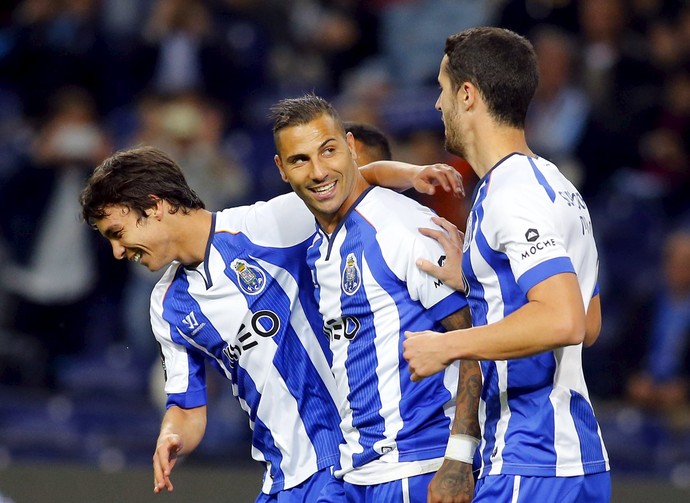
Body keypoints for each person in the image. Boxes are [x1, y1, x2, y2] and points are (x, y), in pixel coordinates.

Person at [79, 145, 463, 501]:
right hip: (281, 476)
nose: (116, 251)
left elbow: (349, 184)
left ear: (155, 205)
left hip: (343, 462)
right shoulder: (167, 305)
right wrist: (171, 435)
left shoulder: (263, 227)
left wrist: (413, 175)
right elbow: (187, 404)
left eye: (118, 233)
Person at [402, 27, 610, 502]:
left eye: (443, 89)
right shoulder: (555, 185)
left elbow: (565, 320)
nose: (438, 105)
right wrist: (480, 279)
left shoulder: (510, 197)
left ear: (468, 95)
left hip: (531, 458)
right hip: (573, 457)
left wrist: (448, 345)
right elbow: (589, 321)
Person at [270, 93, 472, 503]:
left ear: (349, 147)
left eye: (328, 151)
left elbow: (474, 342)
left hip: (420, 468)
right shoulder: (319, 245)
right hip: (361, 472)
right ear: (282, 170)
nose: (318, 170)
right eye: (300, 160)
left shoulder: (402, 230)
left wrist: (460, 458)